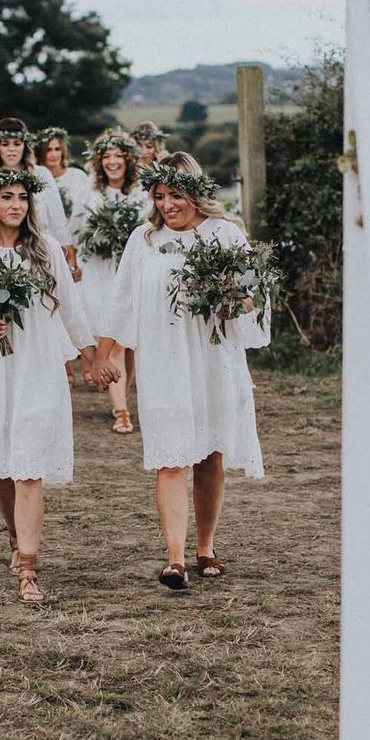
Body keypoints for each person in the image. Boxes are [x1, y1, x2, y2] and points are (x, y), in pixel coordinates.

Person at [93, 152, 271, 590]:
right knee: (170, 457)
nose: (167, 204)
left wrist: (235, 302)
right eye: (159, 196)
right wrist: (103, 354)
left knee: (210, 456)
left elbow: (253, 293)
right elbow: (121, 299)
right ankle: (174, 558)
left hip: (213, 358)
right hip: (164, 359)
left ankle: (205, 548)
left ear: (194, 191)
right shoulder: (144, 239)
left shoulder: (224, 234)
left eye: (175, 194)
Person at [0, 169, 97, 605]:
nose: (16, 205)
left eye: (23, 198)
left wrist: (92, 355)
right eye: (7, 197)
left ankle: (28, 568)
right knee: (4, 464)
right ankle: (14, 537)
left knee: (29, 465)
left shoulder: (45, 249)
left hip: (37, 366)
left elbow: (70, 305)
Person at [79, 128, 148, 433]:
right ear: (98, 161)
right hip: (100, 271)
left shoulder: (142, 193)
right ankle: (121, 410)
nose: (112, 161)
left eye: (118, 155)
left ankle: (121, 397)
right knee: (115, 341)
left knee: (130, 345)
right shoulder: (93, 193)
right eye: (106, 156)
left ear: (128, 159)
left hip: (132, 271)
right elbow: (81, 231)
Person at [0, 117, 74, 257]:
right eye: (5, 144)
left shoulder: (42, 175)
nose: (11, 150)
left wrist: (68, 255)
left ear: (24, 146)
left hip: (38, 252)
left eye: (17, 143)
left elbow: (57, 219)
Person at [35, 125, 90, 387]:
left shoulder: (77, 177)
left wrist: (73, 251)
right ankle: (66, 367)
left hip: (74, 246)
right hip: (48, 248)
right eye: (48, 149)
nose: (53, 154)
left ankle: (88, 362)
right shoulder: (39, 178)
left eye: (57, 149)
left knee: (77, 305)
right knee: (53, 304)